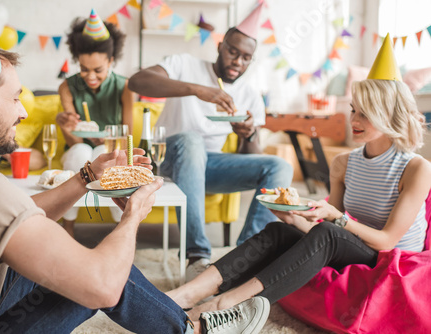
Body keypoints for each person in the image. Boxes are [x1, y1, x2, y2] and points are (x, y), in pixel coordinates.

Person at [0, 26, 272, 334]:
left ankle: (186, 318)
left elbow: (15, 215)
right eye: (16, 97)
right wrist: (133, 214)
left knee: (73, 264)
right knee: (98, 274)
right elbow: (104, 286)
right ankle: (193, 330)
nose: (23, 112)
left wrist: (88, 176)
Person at [164, 35, 431, 322]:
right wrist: (292, 218)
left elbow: (386, 241)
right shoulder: (344, 163)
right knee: (279, 232)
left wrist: (335, 217)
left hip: (393, 257)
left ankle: (224, 306)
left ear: (389, 116)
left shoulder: (417, 168)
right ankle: (183, 295)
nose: (353, 120)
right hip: (352, 241)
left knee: (328, 232)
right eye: (353, 110)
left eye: (365, 115)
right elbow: (329, 229)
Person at [129, 19, 293, 280]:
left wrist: (248, 133)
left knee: (280, 167)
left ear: (252, 60)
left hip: (209, 165)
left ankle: (243, 259)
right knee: (192, 142)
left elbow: (252, 158)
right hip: (165, 158)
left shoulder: (250, 94)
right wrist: (197, 90)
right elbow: (137, 81)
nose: (238, 61)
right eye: (233, 52)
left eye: (246, 57)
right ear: (220, 46)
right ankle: (197, 256)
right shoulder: (185, 64)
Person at [56, 9, 135, 236]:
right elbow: (74, 142)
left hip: (110, 148)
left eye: (98, 70)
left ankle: (119, 228)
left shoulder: (124, 86)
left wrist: (110, 142)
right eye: (84, 69)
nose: (90, 77)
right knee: (82, 151)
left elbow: (127, 135)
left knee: (105, 151)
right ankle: (68, 227)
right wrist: (65, 126)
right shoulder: (67, 87)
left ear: (110, 61)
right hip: (77, 151)